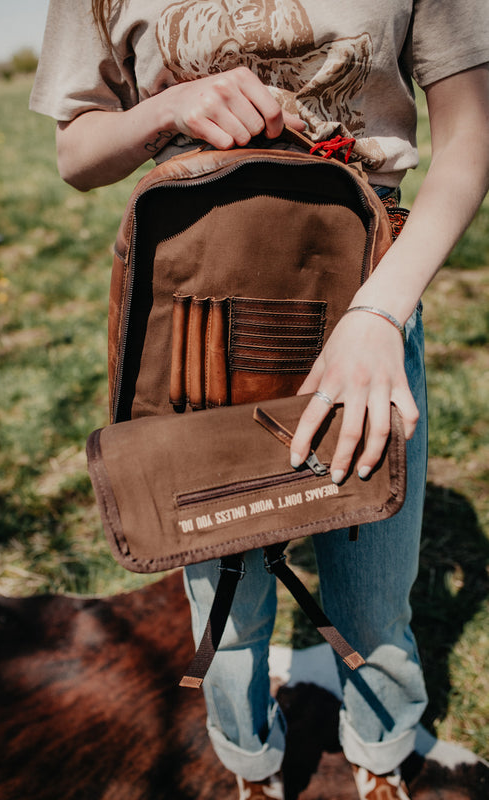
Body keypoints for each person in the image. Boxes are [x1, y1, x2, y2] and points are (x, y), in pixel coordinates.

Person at [30, 2, 489, 798]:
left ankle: (380, 759)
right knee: (225, 612)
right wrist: (165, 109)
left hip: (363, 294)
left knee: (375, 603)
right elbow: (76, 151)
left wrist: (380, 313)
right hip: (190, 325)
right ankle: (249, 766)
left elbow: (468, 135)